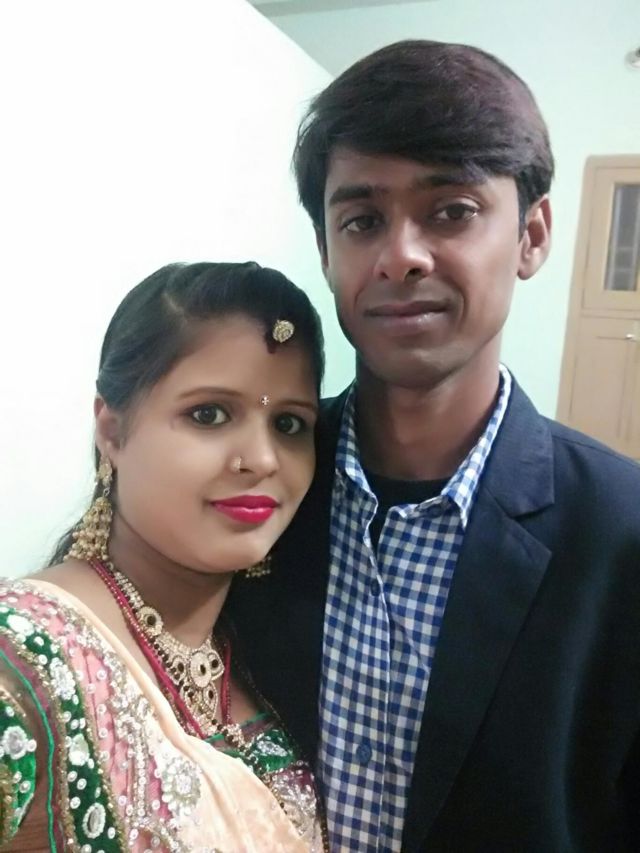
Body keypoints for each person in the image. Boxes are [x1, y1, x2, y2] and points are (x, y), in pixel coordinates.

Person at [227, 40, 640, 852]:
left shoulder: (621, 534)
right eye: (362, 220)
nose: (402, 255)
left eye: (451, 211)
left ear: (531, 235)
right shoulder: (255, 489)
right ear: (326, 250)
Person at [0, 262, 329, 851]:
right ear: (112, 431)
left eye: (288, 423)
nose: (262, 458)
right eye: (209, 414)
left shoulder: (262, 660)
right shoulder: (21, 657)